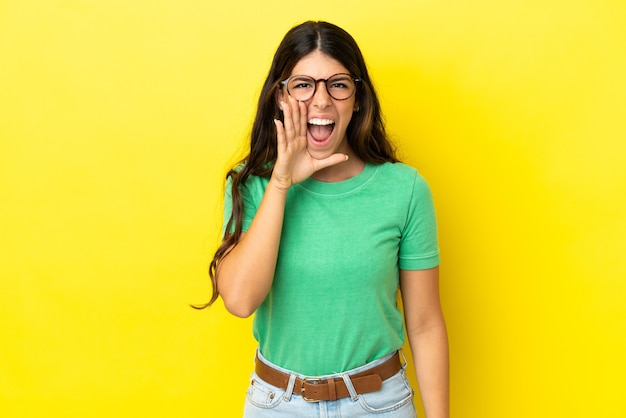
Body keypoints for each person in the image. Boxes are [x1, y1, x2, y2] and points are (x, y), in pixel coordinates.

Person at [197, 20, 449, 418]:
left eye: (338, 84)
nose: (320, 101)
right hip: (277, 405)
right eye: (302, 85)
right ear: (279, 97)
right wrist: (281, 182)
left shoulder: (405, 190)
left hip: (380, 404)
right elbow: (241, 300)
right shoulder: (252, 184)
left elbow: (425, 324)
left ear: (358, 98)